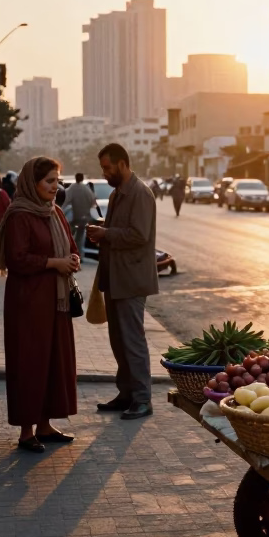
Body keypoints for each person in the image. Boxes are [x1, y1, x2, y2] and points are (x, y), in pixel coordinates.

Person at [0, 157, 80, 452]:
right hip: (28, 303)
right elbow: (16, 259)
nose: (56, 187)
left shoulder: (54, 212)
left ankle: (45, 425)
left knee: (53, 362)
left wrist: (73, 259)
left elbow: (70, 244)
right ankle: (26, 431)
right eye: (49, 182)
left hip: (55, 303)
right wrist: (55, 262)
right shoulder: (20, 214)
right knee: (29, 363)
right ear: (33, 183)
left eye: (58, 181)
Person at [86, 143, 157, 420]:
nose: (104, 173)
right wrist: (102, 230)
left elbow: (138, 234)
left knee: (132, 341)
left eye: (107, 167)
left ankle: (142, 399)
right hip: (115, 278)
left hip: (132, 279)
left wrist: (106, 234)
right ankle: (126, 393)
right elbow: (119, 229)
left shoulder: (140, 193)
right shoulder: (118, 194)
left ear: (123, 164)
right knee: (118, 340)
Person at [64, 171, 97, 261]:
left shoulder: (72, 188)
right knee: (80, 237)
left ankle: (70, 254)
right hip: (85, 217)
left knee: (69, 236)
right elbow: (93, 201)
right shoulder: (86, 189)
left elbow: (66, 200)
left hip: (75, 217)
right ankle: (79, 255)